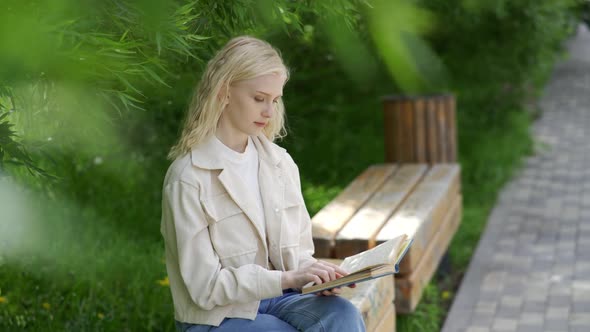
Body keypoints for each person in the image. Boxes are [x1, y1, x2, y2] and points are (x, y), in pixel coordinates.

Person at [161, 36, 366, 332]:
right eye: (259, 98)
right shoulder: (188, 177)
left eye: (275, 100)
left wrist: (314, 275)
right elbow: (204, 288)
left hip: (280, 298)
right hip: (217, 317)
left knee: (342, 315)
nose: (269, 112)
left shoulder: (280, 163)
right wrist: (288, 279)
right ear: (224, 92)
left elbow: (299, 253)